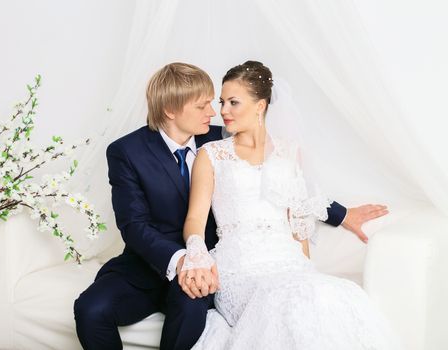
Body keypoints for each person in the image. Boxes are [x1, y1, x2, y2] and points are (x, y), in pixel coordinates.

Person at [73, 62, 388, 350]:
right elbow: (134, 225)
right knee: (90, 310)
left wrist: (344, 214)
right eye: (203, 105)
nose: (214, 111)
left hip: (211, 269)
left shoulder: (222, 137)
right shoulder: (127, 152)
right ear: (170, 110)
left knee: (193, 308)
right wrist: (184, 259)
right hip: (154, 262)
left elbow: (279, 184)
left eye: (218, 101)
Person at [181, 61, 399, 349]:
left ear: (260, 106)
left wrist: (306, 270)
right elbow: (195, 218)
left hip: (288, 264)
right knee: (285, 304)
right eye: (222, 102)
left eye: (233, 102)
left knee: (324, 297)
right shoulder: (210, 155)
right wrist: (197, 253)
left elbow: (298, 222)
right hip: (239, 268)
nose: (223, 111)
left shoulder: (289, 153)